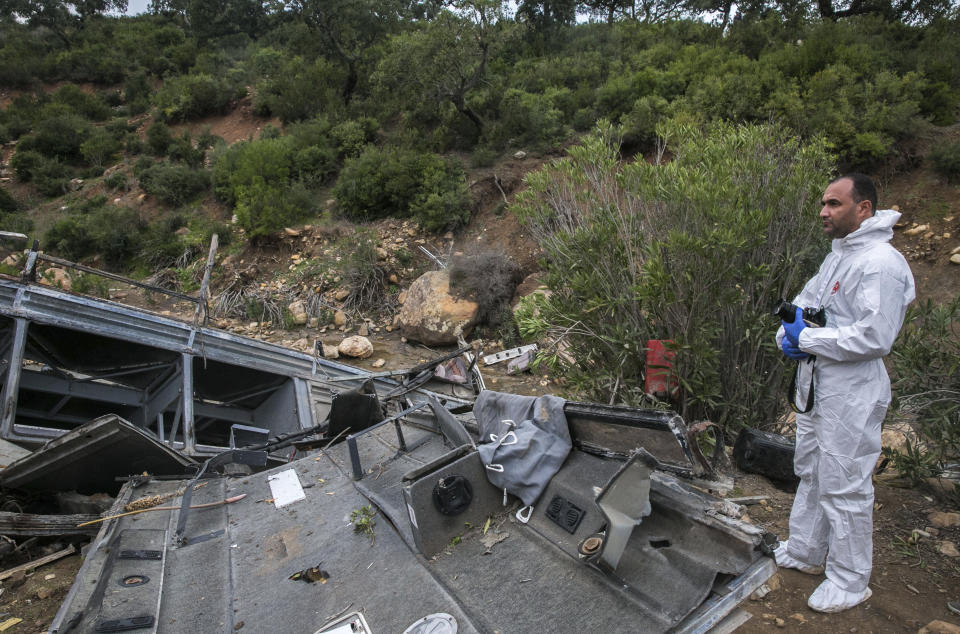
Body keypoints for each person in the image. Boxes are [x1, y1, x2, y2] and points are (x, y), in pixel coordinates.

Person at [773, 173, 915, 613]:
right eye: (823, 203)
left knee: (844, 483)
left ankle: (851, 580)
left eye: (834, 203)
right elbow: (803, 304)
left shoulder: (881, 263)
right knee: (813, 470)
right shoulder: (838, 257)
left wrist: (808, 341)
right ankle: (805, 550)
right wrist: (787, 334)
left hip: (852, 394)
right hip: (820, 386)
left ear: (864, 208)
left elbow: (876, 336)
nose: (823, 212)